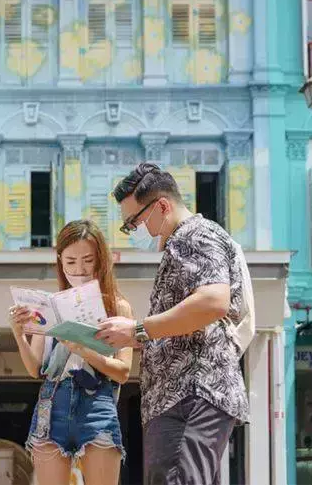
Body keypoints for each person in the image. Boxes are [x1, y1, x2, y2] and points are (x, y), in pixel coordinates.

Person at [95, 163, 249, 485]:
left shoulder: (194, 235)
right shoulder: (184, 241)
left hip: (189, 392)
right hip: (182, 395)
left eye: (134, 222)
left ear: (162, 205)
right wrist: (136, 335)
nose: (136, 231)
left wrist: (138, 329)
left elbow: (213, 300)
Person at [10, 220, 133, 485]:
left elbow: (123, 373)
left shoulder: (117, 307)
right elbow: (34, 370)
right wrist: (19, 334)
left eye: (88, 260)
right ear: (60, 262)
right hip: (52, 402)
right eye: (71, 262)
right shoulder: (48, 305)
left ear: (101, 260)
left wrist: (83, 349)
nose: (80, 270)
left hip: (96, 403)